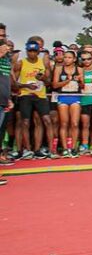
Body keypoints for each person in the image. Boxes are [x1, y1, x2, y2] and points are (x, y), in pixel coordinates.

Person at [13, 40, 54, 159]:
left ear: (38, 51)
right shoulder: (21, 63)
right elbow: (14, 83)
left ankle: (45, 149)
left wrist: (43, 78)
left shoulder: (43, 62)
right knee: (25, 122)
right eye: (29, 51)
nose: (32, 54)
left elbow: (48, 82)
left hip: (40, 96)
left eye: (34, 51)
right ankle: (27, 149)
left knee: (46, 120)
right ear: (26, 51)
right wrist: (26, 86)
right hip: (25, 95)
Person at [51, 49, 84, 157]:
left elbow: (83, 86)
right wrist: (67, 81)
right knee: (64, 123)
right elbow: (55, 85)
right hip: (63, 97)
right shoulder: (59, 69)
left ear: (74, 59)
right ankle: (65, 148)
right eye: (65, 57)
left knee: (74, 123)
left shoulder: (79, 69)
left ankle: (74, 147)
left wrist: (80, 80)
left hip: (75, 96)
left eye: (69, 57)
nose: (67, 59)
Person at [0, 24, 13, 184]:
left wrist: (8, 97)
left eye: (3, 35)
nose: (2, 38)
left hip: (2, 100)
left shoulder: (6, 57)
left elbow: (5, 78)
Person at [78, 50, 92, 155]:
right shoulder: (79, 71)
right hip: (84, 100)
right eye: (84, 59)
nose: (86, 61)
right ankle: (84, 145)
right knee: (85, 124)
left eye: (88, 59)